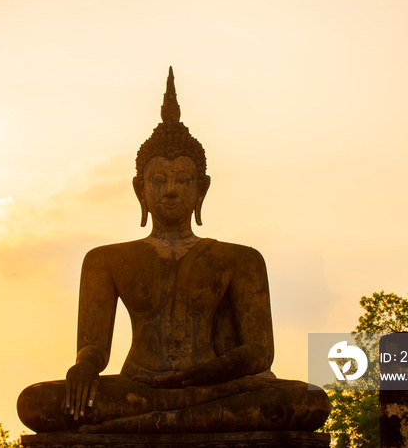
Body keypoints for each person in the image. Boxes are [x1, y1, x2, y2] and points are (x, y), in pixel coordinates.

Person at [17, 68, 330, 433]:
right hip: (138, 387)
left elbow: (259, 352)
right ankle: (169, 418)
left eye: (183, 180)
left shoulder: (240, 259)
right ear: (140, 189)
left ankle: (144, 423)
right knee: (35, 402)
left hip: (212, 387)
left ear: (202, 189)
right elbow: (94, 348)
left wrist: (199, 376)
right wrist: (84, 367)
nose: (170, 190)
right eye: (159, 180)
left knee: (308, 401)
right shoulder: (105, 260)